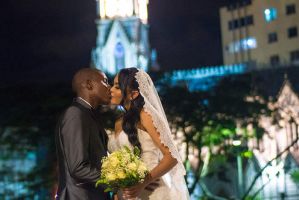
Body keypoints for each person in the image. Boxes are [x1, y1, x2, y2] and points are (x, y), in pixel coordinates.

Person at [108, 67, 190, 200]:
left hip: (153, 191)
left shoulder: (145, 116)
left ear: (133, 94)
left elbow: (172, 156)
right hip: (128, 194)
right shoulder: (118, 122)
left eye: (117, 87)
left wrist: (144, 181)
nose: (110, 89)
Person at [55, 68, 112, 200]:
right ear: (89, 84)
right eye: (105, 81)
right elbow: (78, 167)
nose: (109, 87)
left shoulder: (88, 114)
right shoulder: (75, 114)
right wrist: (117, 182)